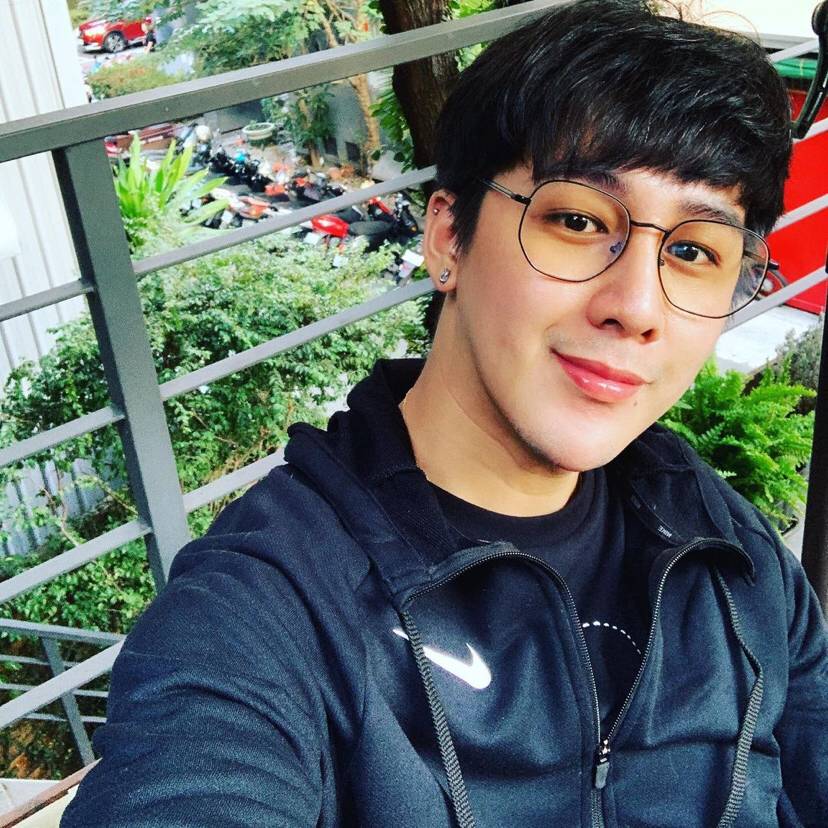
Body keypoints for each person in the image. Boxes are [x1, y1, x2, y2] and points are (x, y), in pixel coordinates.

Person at [62, 1, 827, 825]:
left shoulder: (727, 548)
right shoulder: (269, 613)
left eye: (693, 251)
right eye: (577, 219)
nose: (637, 306)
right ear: (447, 238)